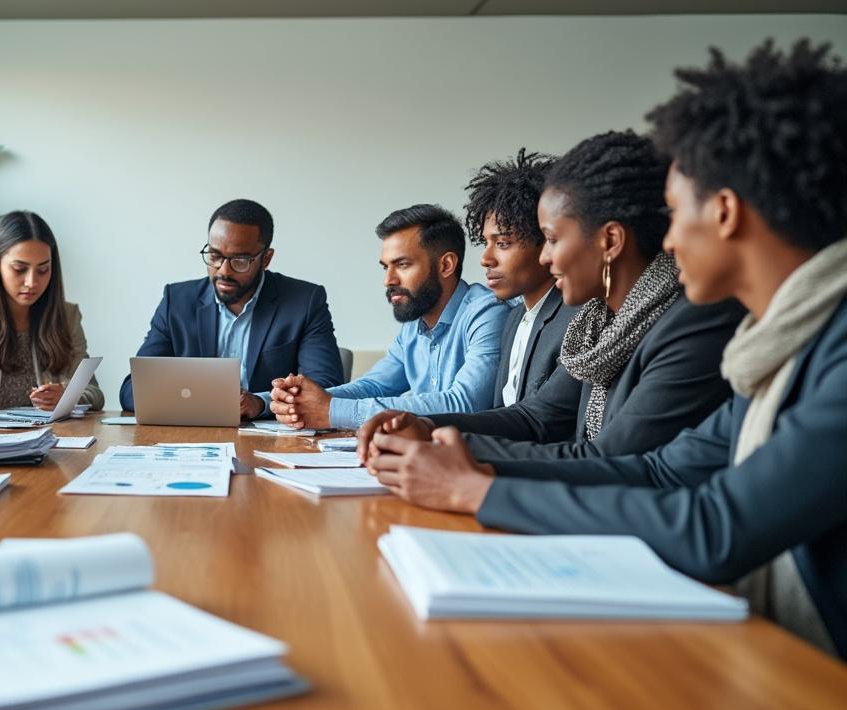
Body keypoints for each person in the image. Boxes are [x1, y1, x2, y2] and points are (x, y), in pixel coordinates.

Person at [358, 39, 847, 657]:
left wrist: (475, 490)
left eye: (672, 214)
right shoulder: (783, 347)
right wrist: (455, 456)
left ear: (724, 213)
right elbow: (661, 469)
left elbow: (716, 527)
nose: (666, 236)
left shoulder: (818, 346)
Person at [357, 132, 744, 460]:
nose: (545, 256)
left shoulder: (686, 322)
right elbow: (535, 417)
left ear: (610, 241)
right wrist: (425, 427)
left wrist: (458, 463)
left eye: (553, 240)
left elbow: (607, 460)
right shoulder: (600, 326)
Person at [269, 204, 507, 430]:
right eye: (386, 267)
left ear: (446, 265)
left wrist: (331, 409)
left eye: (402, 265)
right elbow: (373, 386)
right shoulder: (415, 322)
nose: (388, 280)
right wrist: (290, 397)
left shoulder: (487, 311)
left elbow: (463, 404)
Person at [118, 199, 344, 418]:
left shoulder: (304, 302)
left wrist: (260, 403)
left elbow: (326, 389)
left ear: (266, 259)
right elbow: (133, 390)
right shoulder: (176, 301)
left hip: (271, 442)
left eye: (240, 260)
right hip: (191, 440)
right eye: (215, 256)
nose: (223, 271)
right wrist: (204, 401)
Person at [0, 211, 104, 410]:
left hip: (52, 437)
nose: (32, 282)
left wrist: (68, 396)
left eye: (43, 270)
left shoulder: (66, 316)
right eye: (19, 268)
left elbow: (95, 394)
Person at [468, 149, 576, 407]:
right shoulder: (514, 317)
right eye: (486, 242)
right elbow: (500, 412)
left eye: (503, 243)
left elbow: (539, 422)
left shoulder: (576, 319)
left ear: (547, 242)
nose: (486, 258)